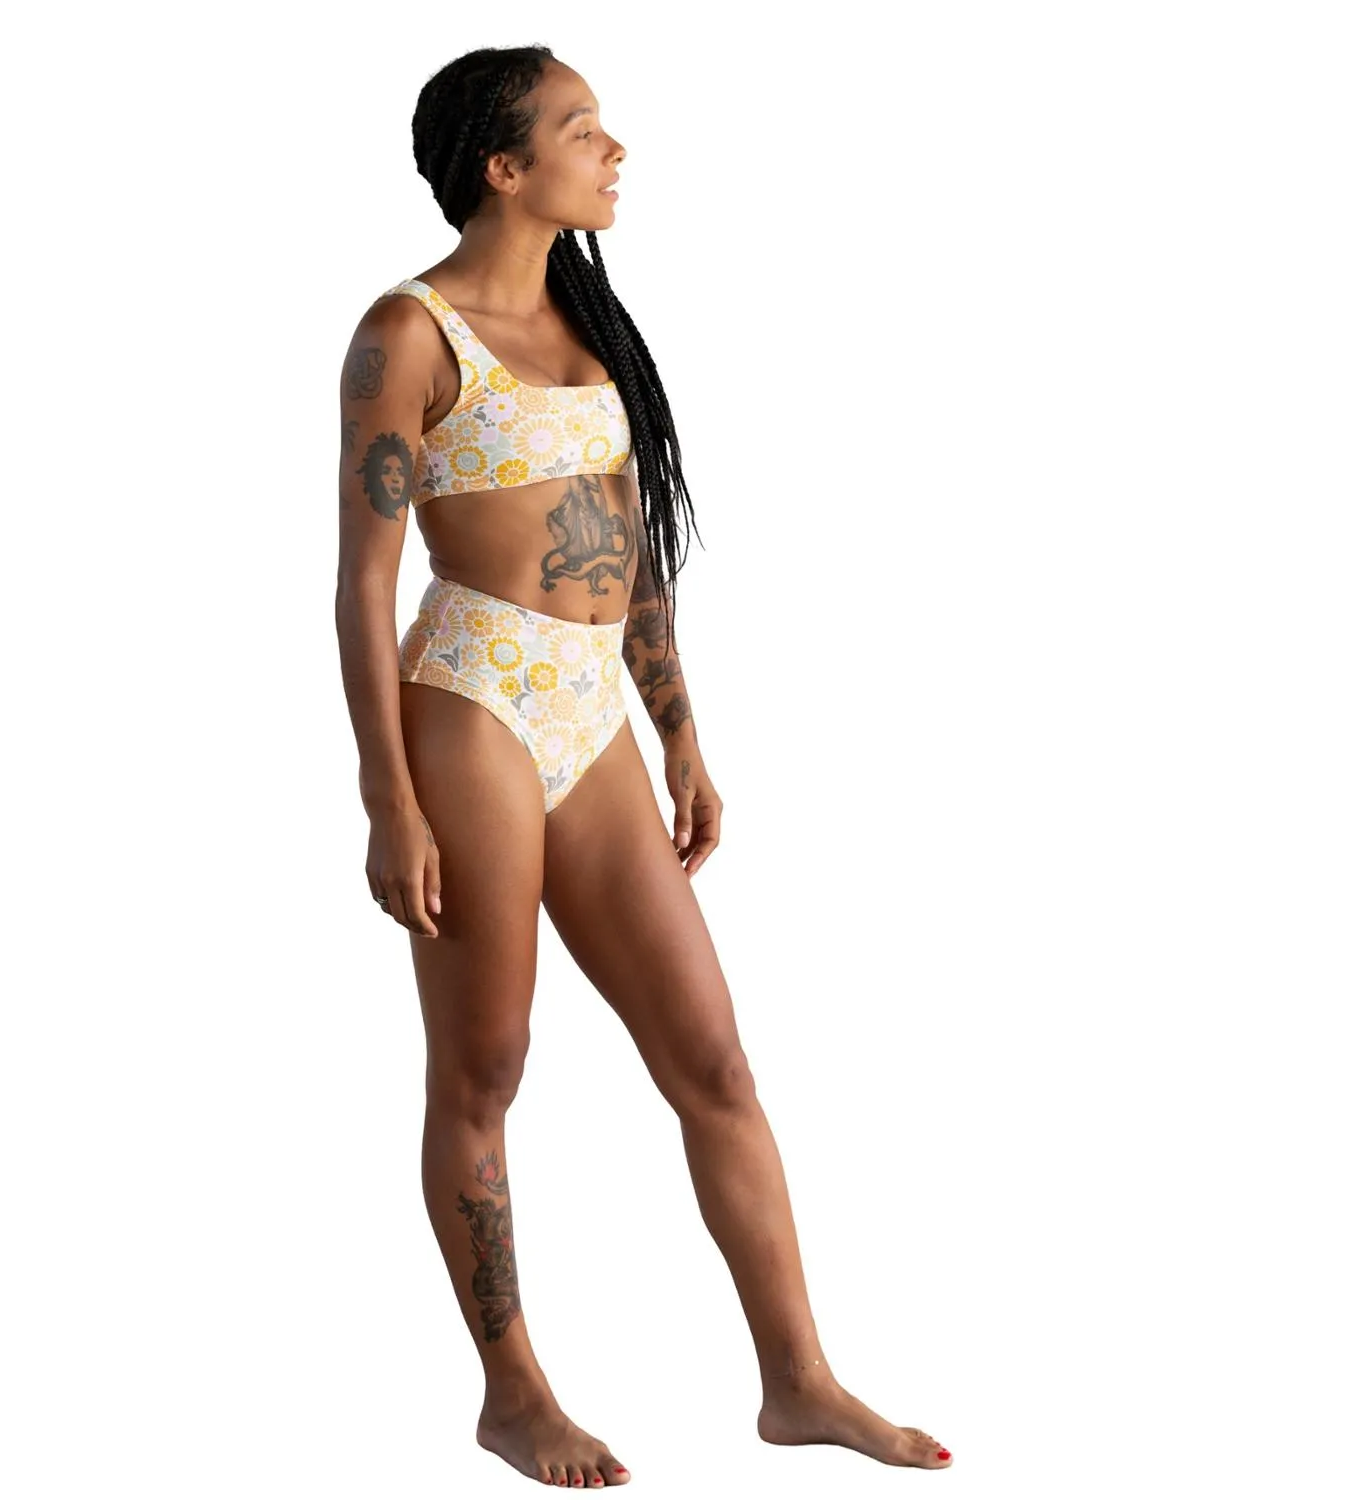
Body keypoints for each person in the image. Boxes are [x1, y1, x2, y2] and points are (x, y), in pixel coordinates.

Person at [335, 43, 953, 1489]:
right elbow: (363, 582)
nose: (614, 150)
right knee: (487, 1066)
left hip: (592, 709)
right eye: (582, 129)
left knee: (714, 1059)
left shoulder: (590, 319)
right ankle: (513, 1394)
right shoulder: (408, 333)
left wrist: (679, 727)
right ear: (504, 167)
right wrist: (387, 797)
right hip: (471, 699)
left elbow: (630, 541)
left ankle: (799, 1382)